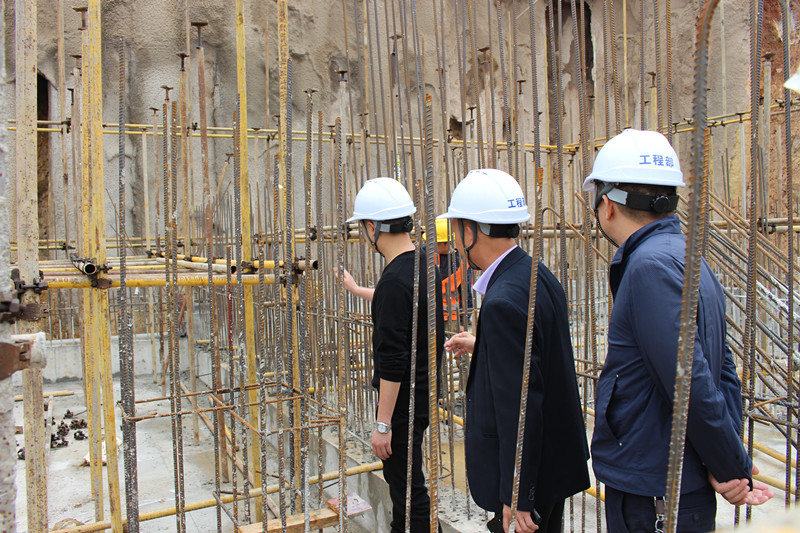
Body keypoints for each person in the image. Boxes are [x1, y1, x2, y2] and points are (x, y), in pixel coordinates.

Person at [585, 129, 774, 532]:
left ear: (607, 205)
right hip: (673, 481)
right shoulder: (688, 256)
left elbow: (690, 380)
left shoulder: (649, 267)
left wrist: (729, 466)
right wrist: (725, 460)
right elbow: (723, 369)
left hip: (655, 491)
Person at [442, 169, 590, 533]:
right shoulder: (536, 273)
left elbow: (520, 407)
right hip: (552, 464)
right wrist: (484, 345)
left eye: (457, 231)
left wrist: (518, 495)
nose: (456, 244)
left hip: (529, 481)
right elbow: (538, 356)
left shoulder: (502, 302)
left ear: (470, 231)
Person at [345, 177, 445, 533]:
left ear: (373, 228)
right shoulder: (424, 265)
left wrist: (382, 425)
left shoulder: (395, 281)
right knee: (409, 487)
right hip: (424, 393)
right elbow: (402, 304)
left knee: (407, 492)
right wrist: (359, 289)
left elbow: (392, 361)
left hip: (402, 405)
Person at [434, 218, 473, 324]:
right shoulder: (428, 257)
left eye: (436, 243)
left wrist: (464, 321)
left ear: (448, 243)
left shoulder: (461, 263)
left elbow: (467, 295)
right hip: (431, 316)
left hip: (452, 318)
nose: (433, 245)